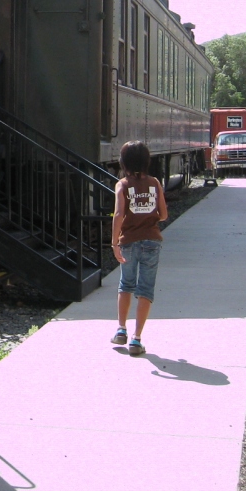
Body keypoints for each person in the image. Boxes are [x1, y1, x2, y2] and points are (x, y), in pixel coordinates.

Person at [111, 141, 167, 356]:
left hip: (128, 241)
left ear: (123, 162)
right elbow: (163, 215)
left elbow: (119, 214)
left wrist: (114, 242)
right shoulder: (155, 183)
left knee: (126, 284)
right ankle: (136, 339)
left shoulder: (122, 184)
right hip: (152, 241)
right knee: (145, 289)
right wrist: (147, 215)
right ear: (146, 161)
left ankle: (121, 330)